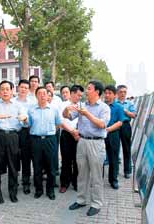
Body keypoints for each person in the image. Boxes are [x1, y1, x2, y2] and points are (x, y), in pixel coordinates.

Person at [63, 80, 110, 216]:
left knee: (96, 175)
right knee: (82, 173)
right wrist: (67, 109)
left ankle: (96, 203)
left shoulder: (104, 108)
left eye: (89, 88)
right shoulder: (82, 105)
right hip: (82, 141)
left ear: (97, 92)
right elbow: (67, 116)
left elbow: (102, 124)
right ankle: (81, 199)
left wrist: (87, 114)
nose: (86, 91)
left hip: (96, 143)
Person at [28, 87, 74, 201]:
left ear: (48, 96)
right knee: (37, 166)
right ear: (36, 96)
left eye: (45, 93)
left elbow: (58, 124)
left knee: (51, 166)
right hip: (36, 140)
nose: (43, 95)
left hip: (50, 140)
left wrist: (50, 132)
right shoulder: (31, 109)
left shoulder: (54, 109)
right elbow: (29, 124)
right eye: (40, 93)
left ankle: (50, 190)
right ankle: (39, 190)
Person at [0, 80, 27, 204]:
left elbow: (24, 120)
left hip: (13, 136)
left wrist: (24, 119)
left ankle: (13, 192)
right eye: (2, 89)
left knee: (13, 166)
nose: (5, 91)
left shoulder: (18, 105)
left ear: (12, 91)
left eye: (7, 89)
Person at [59, 85, 84, 193]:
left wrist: (77, 132)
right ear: (72, 93)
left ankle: (76, 182)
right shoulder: (63, 105)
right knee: (66, 160)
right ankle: (64, 183)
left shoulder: (82, 106)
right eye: (78, 95)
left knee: (77, 161)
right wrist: (72, 131)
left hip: (79, 135)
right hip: (66, 134)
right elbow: (60, 121)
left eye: (81, 96)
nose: (79, 97)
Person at [104, 85, 125, 189]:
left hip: (113, 135)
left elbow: (120, 122)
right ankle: (97, 180)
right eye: (106, 93)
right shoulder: (101, 106)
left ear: (114, 95)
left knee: (113, 158)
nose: (107, 95)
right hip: (100, 135)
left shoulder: (119, 107)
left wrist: (107, 129)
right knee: (99, 158)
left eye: (109, 93)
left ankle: (113, 180)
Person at [14, 79, 32, 194]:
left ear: (28, 90)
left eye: (26, 88)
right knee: (14, 159)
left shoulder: (32, 103)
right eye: (22, 87)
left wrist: (26, 120)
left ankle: (26, 183)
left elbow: (33, 120)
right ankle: (14, 182)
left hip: (26, 132)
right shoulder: (12, 101)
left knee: (26, 159)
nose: (24, 89)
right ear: (18, 88)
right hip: (14, 133)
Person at [116, 84, 136, 179]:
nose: (123, 94)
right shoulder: (114, 103)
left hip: (125, 126)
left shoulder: (130, 104)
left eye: (125, 92)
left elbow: (134, 115)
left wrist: (125, 111)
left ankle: (127, 171)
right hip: (115, 126)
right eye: (121, 92)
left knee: (126, 148)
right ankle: (115, 171)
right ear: (117, 93)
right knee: (114, 149)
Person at [45, 81, 63, 176]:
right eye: (46, 87)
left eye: (49, 87)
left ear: (53, 87)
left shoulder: (58, 100)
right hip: (44, 131)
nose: (48, 88)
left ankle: (55, 169)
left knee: (54, 150)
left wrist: (55, 130)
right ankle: (45, 170)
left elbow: (60, 117)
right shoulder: (41, 100)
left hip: (55, 130)